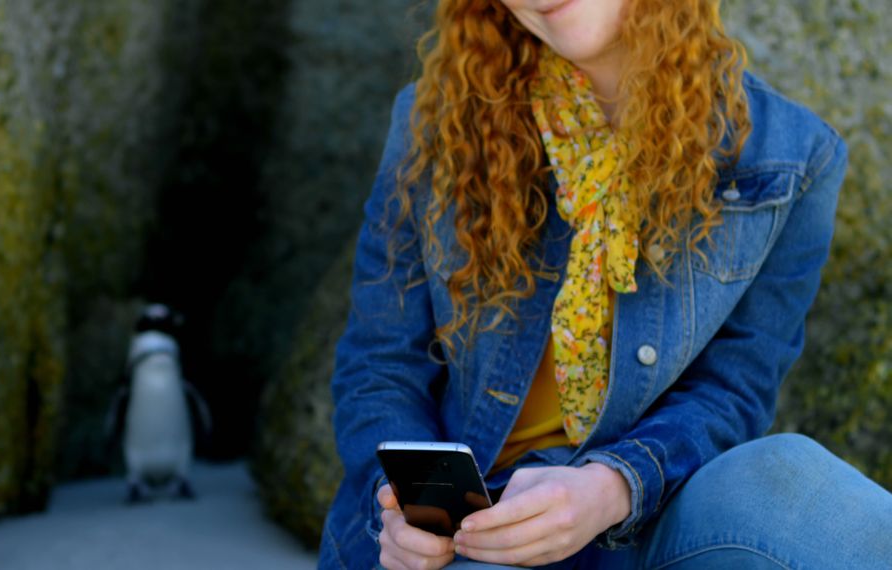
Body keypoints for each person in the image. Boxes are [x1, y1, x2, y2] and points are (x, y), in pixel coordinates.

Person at [318, 1, 892, 569]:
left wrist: (611, 487)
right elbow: (380, 365)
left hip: (650, 507)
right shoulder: (436, 119)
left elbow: (733, 391)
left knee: (790, 473)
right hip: (481, 522)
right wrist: (404, 513)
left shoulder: (791, 157)